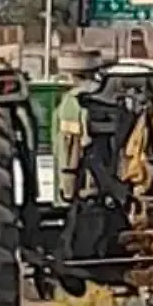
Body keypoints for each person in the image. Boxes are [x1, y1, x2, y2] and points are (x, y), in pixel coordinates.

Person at [53, 50, 103, 205]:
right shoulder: (105, 95)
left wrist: (67, 186)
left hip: (81, 181)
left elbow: (68, 146)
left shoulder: (71, 101)